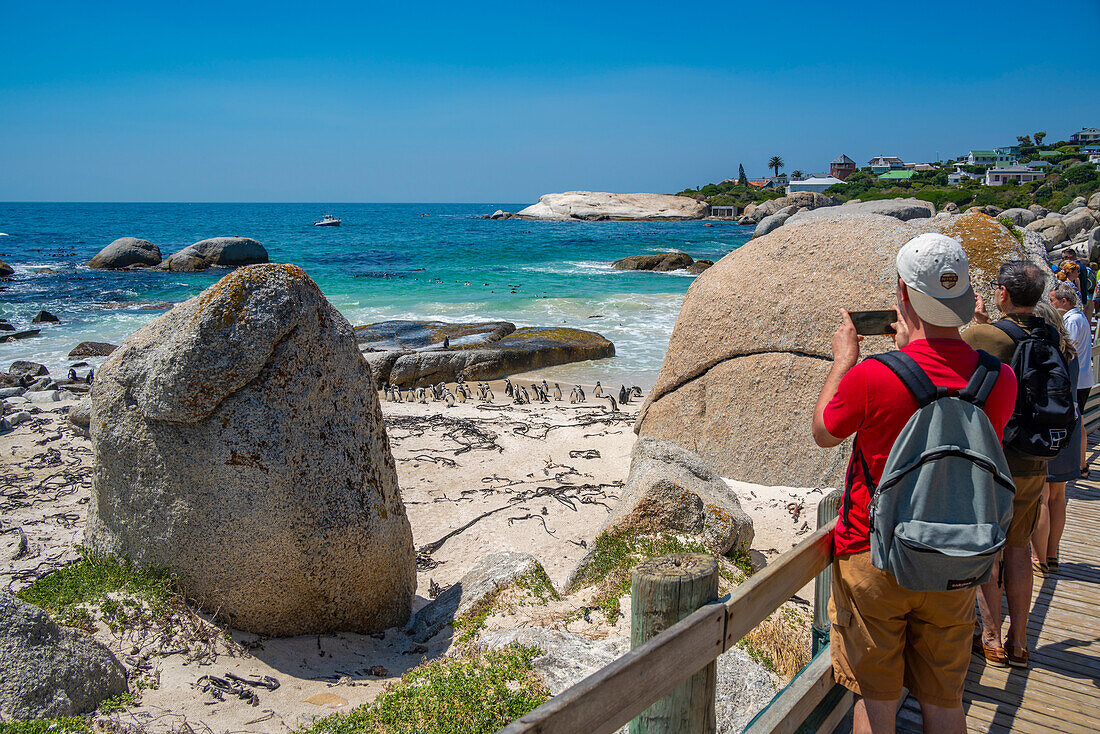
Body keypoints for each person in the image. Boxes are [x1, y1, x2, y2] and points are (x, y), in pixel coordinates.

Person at [813, 233, 1016, 734]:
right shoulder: (999, 379)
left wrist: (845, 359)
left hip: (873, 554)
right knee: (945, 702)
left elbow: (823, 432)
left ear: (902, 295)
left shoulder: (874, 375)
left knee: (876, 702)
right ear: (966, 297)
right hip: (958, 555)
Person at [963, 260, 1053, 668]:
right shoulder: (1054, 335)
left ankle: (992, 638)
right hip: (1034, 457)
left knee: (989, 549)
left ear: (1001, 292)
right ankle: (1020, 641)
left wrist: (979, 322)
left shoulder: (986, 334)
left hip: (993, 456)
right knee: (1018, 547)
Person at [1030, 301, 1078, 576]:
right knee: (1059, 496)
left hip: (1046, 427)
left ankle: (1039, 558)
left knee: (1042, 498)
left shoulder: (1040, 352)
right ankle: (1053, 553)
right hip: (1069, 423)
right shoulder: (1070, 353)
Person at [1050, 281, 1094, 478]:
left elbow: (1068, 347)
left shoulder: (1072, 320)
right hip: (1084, 378)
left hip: (1078, 381)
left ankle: (1079, 464)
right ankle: (1081, 463)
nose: (1050, 304)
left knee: (1077, 424)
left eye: (1052, 300)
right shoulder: (1080, 317)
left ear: (1064, 301)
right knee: (1080, 422)